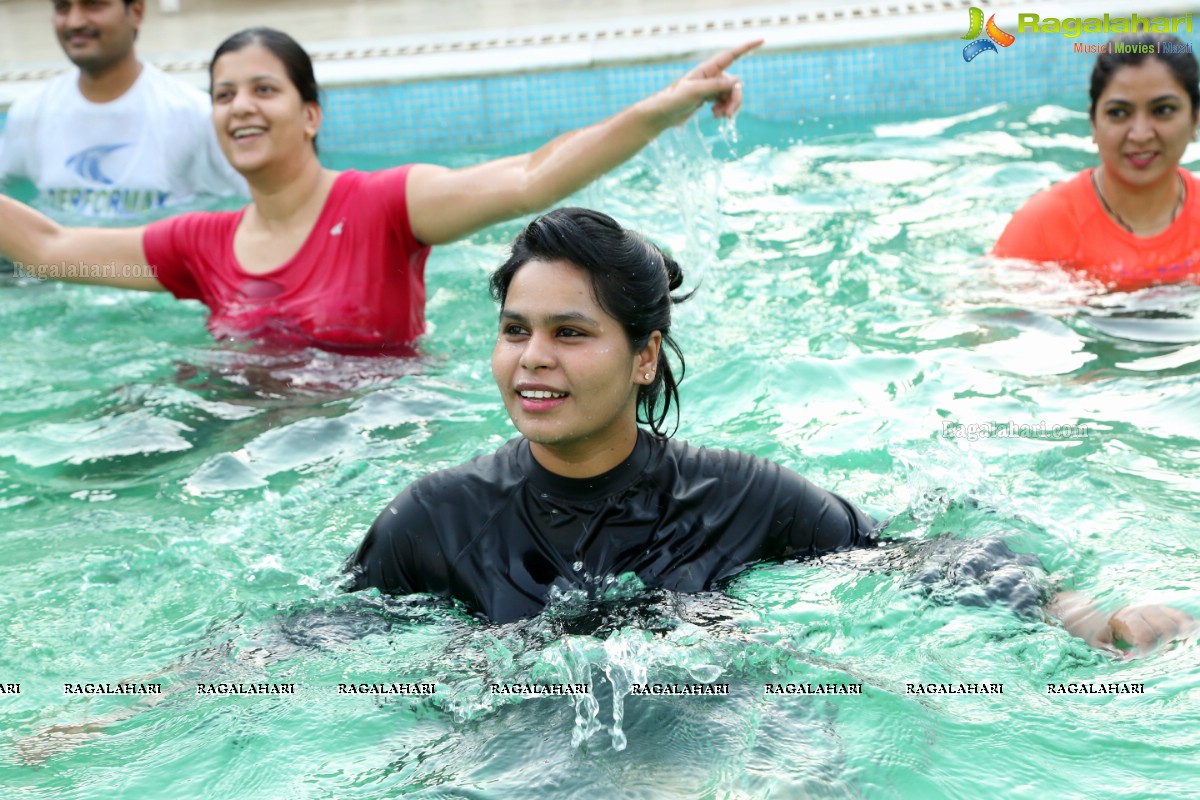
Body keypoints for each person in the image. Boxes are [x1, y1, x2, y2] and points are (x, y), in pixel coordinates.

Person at [345, 207, 1198, 654]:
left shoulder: (738, 495)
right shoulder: (435, 519)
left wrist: (1075, 611)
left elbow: (910, 557)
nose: (532, 359)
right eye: (514, 330)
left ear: (644, 358)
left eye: (570, 333)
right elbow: (320, 637)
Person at [0, 26, 759, 352]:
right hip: (247, 464)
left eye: (263, 88)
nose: (240, 108)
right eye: (224, 94)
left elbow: (532, 178)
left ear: (310, 114)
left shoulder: (386, 205)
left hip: (373, 436)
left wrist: (659, 110)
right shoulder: (200, 246)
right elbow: (52, 249)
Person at [992, 33, 1200, 291]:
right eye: (1119, 113)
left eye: (1163, 110)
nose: (1141, 134)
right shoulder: (1041, 229)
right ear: (1093, 123)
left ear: (1194, 119)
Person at [0, 0, 245, 217]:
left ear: (136, 12)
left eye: (93, 4)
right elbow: (14, 205)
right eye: (63, 7)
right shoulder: (30, 113)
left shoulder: (193, 113)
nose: (74, 21)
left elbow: (245, 210)